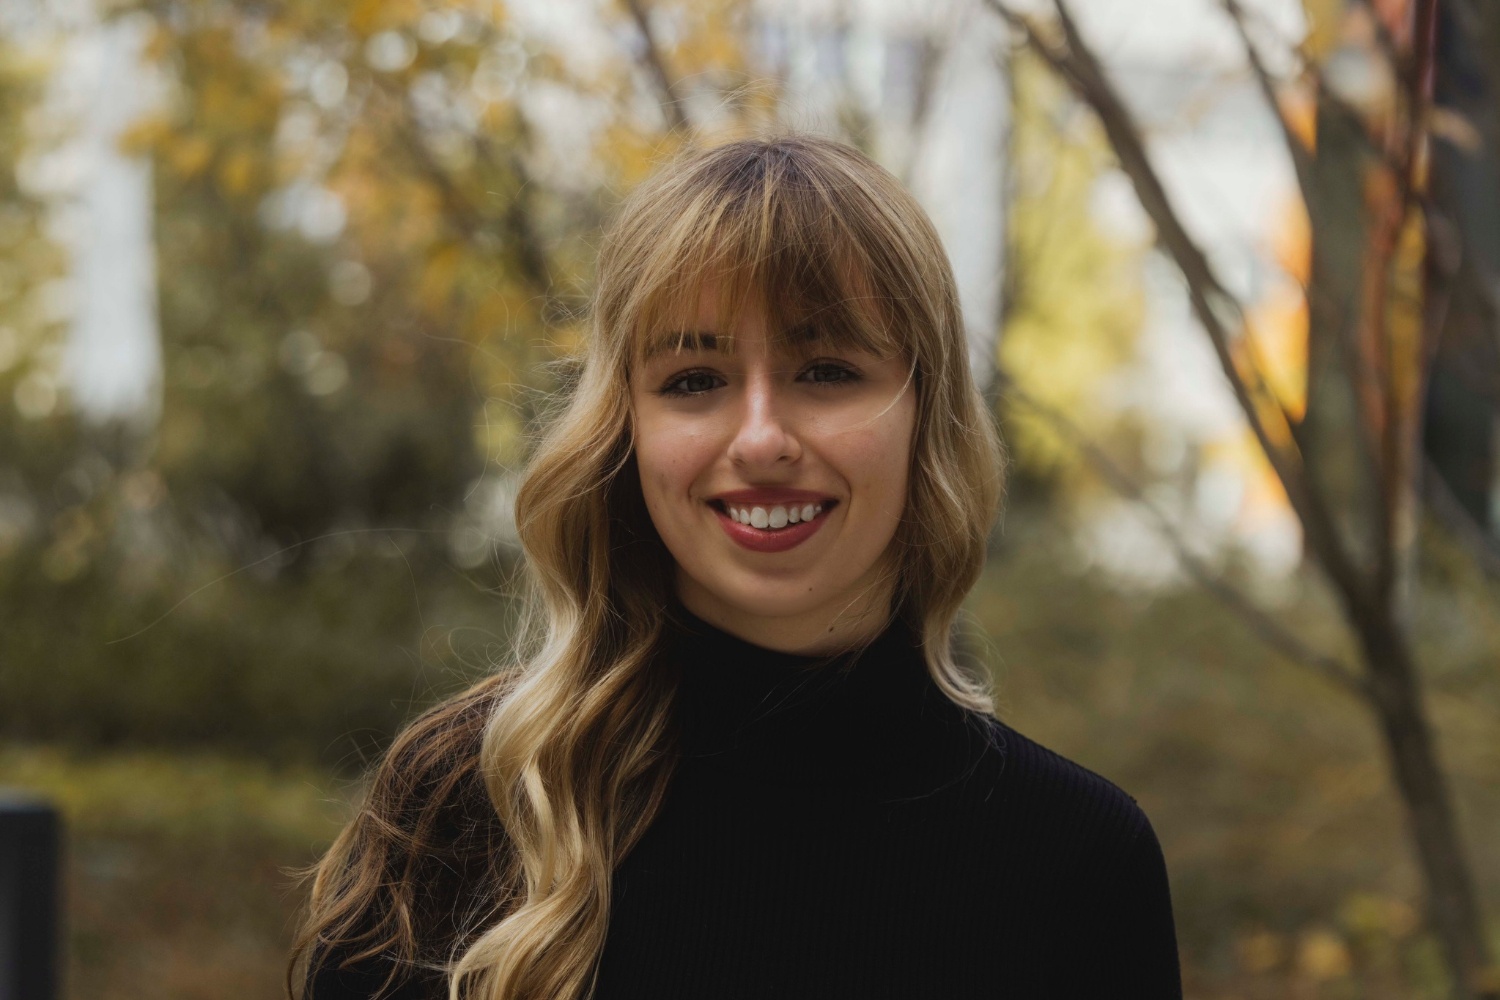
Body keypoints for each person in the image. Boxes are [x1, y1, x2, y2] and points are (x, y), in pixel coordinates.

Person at [292, 132, 1182, 1000]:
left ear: (927, 412)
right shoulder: (466, 804)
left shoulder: (1078, 861)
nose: (760, 441)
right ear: (625, 428)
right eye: (694, 380)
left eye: (826, 370)